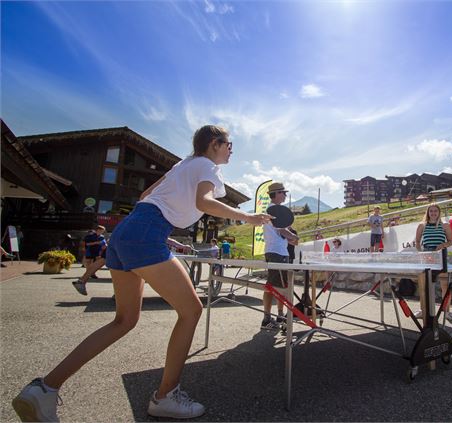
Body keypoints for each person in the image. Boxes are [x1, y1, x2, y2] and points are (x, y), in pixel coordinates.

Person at [12, 124, 272, 421]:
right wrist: (247, 216)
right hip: (146, 232)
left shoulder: (182, 165)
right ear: (214, 143)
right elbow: (203, 202)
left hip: (127, 231)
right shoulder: (208, 167)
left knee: (124, 320)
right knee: (191, 311)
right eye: (228, 144)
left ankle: (45, 388)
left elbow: (147, 195)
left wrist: (160, 231)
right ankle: (165, 396)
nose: (231, 149)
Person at [261, 182, 299, 330]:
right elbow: (284, 231)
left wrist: (292, 238)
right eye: (283, 192)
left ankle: (272, 317)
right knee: (280, 288)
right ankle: (275, 318)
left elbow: (283, 233)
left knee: (272, 287)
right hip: (278, 254)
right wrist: (294, 238)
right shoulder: (273, 210)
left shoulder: (273, 210)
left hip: (275, 252)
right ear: (276, 193)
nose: (285, 195)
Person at [414, 204, 452, 323]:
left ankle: (447, 312)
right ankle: (423, 311)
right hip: (426, 256)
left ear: (439, 212)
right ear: (428, 213)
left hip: (440, 256)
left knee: (444, 285)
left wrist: (442, 246)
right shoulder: (422, 226)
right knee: (424, 286)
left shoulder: (445, 225)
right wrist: (421, 253)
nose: (433, 213)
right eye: (431, 211)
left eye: (435, 211)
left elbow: (450, 241)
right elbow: (417, 242)